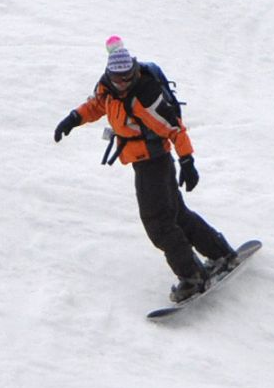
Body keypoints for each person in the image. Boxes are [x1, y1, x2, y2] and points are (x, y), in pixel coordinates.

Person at [53, 36, 237, 302]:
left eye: (129, 76)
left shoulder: (145, 94)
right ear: (111, 75)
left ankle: (192, 276)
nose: (125, 82)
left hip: (154, 162)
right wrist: (72, 119)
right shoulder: (108, 87)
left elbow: (174, 127)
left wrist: (187, 161)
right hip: (141, 161)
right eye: (120, 78)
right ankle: (220, 253)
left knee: (159, 224)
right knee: (177, 215)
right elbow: (96, 105)